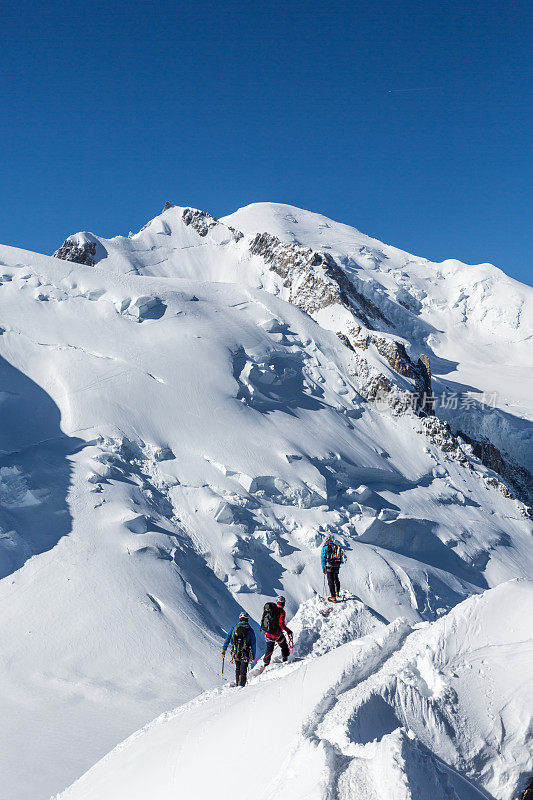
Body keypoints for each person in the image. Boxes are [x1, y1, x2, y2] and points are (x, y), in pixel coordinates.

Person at [221, 612, 256, 687]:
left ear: (240, 619)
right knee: (243, 671)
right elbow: (253, 644)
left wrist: (224, 650)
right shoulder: (250, 630)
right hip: (245, 653)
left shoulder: (234, 628)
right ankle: (241, 687)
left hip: (236, 652)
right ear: (247, 619)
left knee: (238, 669)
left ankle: (237, 685)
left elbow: (227, 638)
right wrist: (253, 655)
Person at [262, 596, 293, 666]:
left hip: (268, 634)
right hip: (277, 634)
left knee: (269, 650)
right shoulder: (281, 611)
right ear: (283, 603)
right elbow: (281, 624)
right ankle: (285, 660)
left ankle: (265, 665)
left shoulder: (271, 610)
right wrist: (288, 631)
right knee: (284, 646)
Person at [321, 536, 345, 602]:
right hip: (337, 565)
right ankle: (337, 593)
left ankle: (333, 597)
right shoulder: (336, 547)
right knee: (336, 578)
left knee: (330, 581)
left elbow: (323, 558)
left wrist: (323, 568)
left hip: (329, 566)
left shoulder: (325, 547)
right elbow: (341, 558)